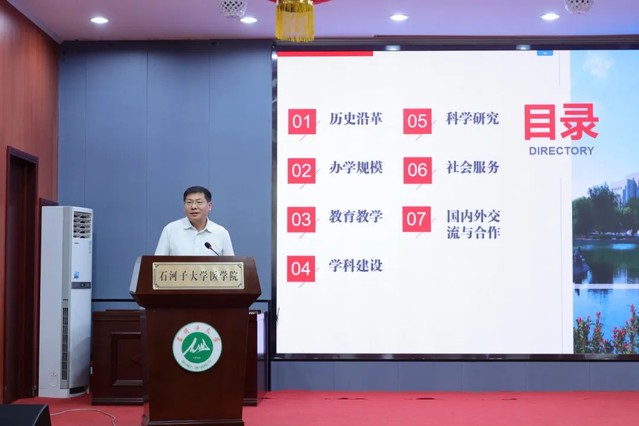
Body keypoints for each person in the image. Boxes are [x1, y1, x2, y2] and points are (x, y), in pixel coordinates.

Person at [154, 185, 234, 256]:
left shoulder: (221, 233)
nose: (193, 207)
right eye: (189, 202)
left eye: (199, 202)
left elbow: (231, 266)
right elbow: (157, 263)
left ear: (209, 206)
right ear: (184, 206)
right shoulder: (170, 230)